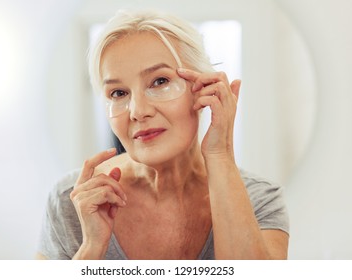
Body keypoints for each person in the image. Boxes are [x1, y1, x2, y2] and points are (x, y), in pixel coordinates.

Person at [36, 10, 289, 260]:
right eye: (118, 93)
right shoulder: (73, 202)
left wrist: (220, 154)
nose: (138, 111)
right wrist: (90, 249)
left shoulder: (259, 200)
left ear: (204, 87)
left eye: (159, 81)